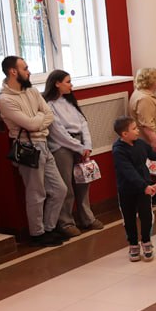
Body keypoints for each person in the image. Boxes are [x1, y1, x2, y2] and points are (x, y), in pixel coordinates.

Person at [0, 55, 67, 247]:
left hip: (43, 143)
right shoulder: (4, 99)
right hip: (28, 148)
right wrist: (37, 119)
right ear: (13, 71)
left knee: (59, 189)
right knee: (36, 193)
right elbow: (28, 124)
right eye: (25, 68)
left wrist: (36, 121)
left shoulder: (33, 91)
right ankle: (37, 233)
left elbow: (49, 114)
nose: (29, 72)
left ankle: (49, 228)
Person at [43, 70, 103, 236]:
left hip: (79, 144)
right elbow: (58, 132)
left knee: (83, 182)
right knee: (66, 185)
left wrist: (87, 145)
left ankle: (87, 218)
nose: (71, 85)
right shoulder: (49, 105)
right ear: (57, 83)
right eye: (68, 81)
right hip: (61, 147)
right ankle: (66, 222)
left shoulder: (69, 101)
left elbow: (83, 123)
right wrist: (79, 147)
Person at [111, 116, 156, 263]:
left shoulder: (140, 144)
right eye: (134, 129)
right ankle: (133, 244)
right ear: (124, 134)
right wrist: (144, 186)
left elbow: (153, 155)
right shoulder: (118, 151)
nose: (137, 131)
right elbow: (128, 172)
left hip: (144, 189)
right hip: (127, 190)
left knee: (146, 215)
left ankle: (146, 242)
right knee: (129, 218)